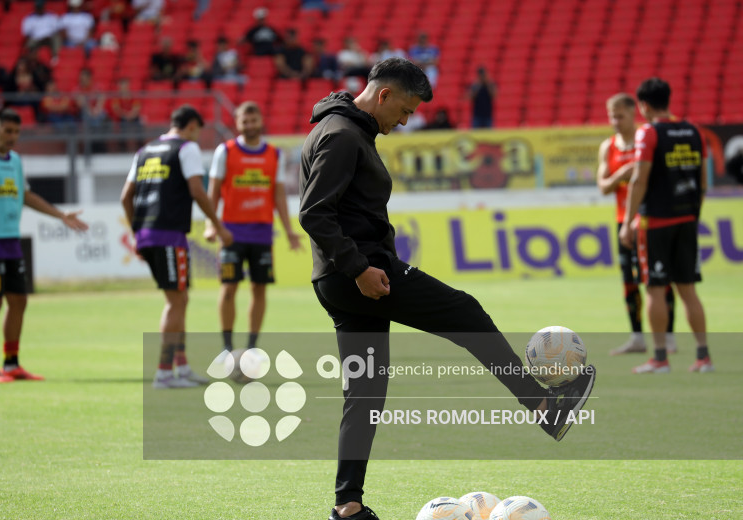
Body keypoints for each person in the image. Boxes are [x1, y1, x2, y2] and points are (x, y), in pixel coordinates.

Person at [298, 57, 596, 520]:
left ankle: (347, 506)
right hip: (361, 275)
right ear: (384, 95)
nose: (405, 120)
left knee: (366, 392)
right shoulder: (341, 135)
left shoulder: (341, 126)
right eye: (406, 110)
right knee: (466, 312)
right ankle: (543, 406)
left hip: (341, 277)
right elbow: (315, 212)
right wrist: (359, 268)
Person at [0, 108, 89, 384]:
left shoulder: (15, 161)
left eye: (16, 132)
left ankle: (12, 363)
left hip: (11, 241)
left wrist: (60, 215)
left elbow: (25, 196)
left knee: (19, 301)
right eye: (8, 131)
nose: (12, 137)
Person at [121, 105, 233, 389]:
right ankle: (163, 372)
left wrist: (137, 232)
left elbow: (126, 197)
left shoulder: (144, 151)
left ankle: (181, 368)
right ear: (192, 126)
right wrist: (218, 226)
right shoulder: (186, 148)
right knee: (175, 301)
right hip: (168, 235)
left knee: (180, 299)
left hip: (147, 233)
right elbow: (197, 190)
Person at [619, 77, 713, 374]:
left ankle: (659, 358)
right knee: (688, 290)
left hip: (655, 222)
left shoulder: (648, 133)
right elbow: (702, 182)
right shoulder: (693, 130)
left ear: (643, 105)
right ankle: (703, 357)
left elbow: (640, 179)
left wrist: (628, 223)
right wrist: (694, 215)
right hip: (687, 219)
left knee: (655, 290)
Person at [205, 101, 302, 355]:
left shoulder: (274, 154)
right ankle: (227, 347)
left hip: (262, 232)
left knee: (259, 289)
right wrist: (210, 224)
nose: (249, 126)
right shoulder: (225, 151)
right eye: (244, 122)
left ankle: (251, 348)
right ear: (236, 124)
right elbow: (213, 191)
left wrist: (289, 230)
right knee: (229, 287)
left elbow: (279, 195)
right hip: (230, 233)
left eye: (253, 120)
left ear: (260, 121)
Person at [597, 93, 677, 356]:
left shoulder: (648, 138)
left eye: (620, 116)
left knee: (658, 278)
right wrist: (622, 174)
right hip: (622, 221)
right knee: (629, 281)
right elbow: (603, 187)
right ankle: (637, 337)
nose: (616, 121)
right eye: (612, 116)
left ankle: (668, 337)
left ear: (634, 114)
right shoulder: (608, 147)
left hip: (648, 218)